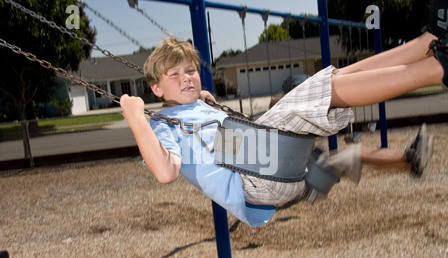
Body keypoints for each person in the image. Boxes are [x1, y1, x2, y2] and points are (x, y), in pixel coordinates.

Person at [120, 5, 447, 226]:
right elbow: (165, 172)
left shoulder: (197, 108)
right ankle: (437, 67)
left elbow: (214, 140)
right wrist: (137, 118)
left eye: (190, 70)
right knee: (320, 96)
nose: (186, 77)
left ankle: (428, 43)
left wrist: (211, 106)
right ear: (156, 89)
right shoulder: (160, 125)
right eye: (174, 75)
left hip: (275, 173)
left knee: (331, 85)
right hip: (257, 178)